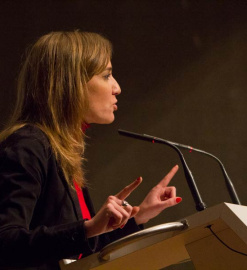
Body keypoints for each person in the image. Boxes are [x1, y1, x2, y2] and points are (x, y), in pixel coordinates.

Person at [0, 31, 182, 269]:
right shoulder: (28, 145)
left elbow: (78, 252)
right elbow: (5, 241)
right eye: (106, 75)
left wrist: (139, 216)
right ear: (70, 83)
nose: (117, 87)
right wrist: (87, 228)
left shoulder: (63, 150)